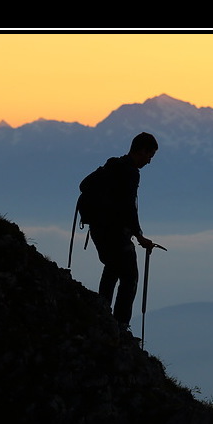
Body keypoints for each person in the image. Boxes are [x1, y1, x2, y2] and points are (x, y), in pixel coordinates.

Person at [88, 132, 159, 332]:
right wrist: (139, 236)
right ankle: (120, 325)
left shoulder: (112, 165)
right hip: (116, 233)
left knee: (111, 269)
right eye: (149, 155)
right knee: (129, 277)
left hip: (98, 231)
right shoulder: (130, 172)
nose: (149, 161)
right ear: (142, 151)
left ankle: (102, 314)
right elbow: (128, 207)